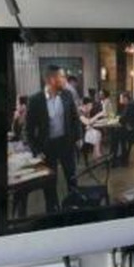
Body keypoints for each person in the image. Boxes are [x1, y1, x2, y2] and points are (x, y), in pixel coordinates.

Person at [25, 65, 80, 210]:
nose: (65, 80)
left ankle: (75, 204)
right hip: (47, 147)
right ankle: (52, 209)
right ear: (51, 79)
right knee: (49, 182)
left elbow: (75, 118)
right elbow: (28, 130)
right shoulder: (35, 100)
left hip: (66, 143)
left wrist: (78, 137)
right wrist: (36, 151)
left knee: (72, 177)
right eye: (61, 77)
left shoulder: (67, 95)